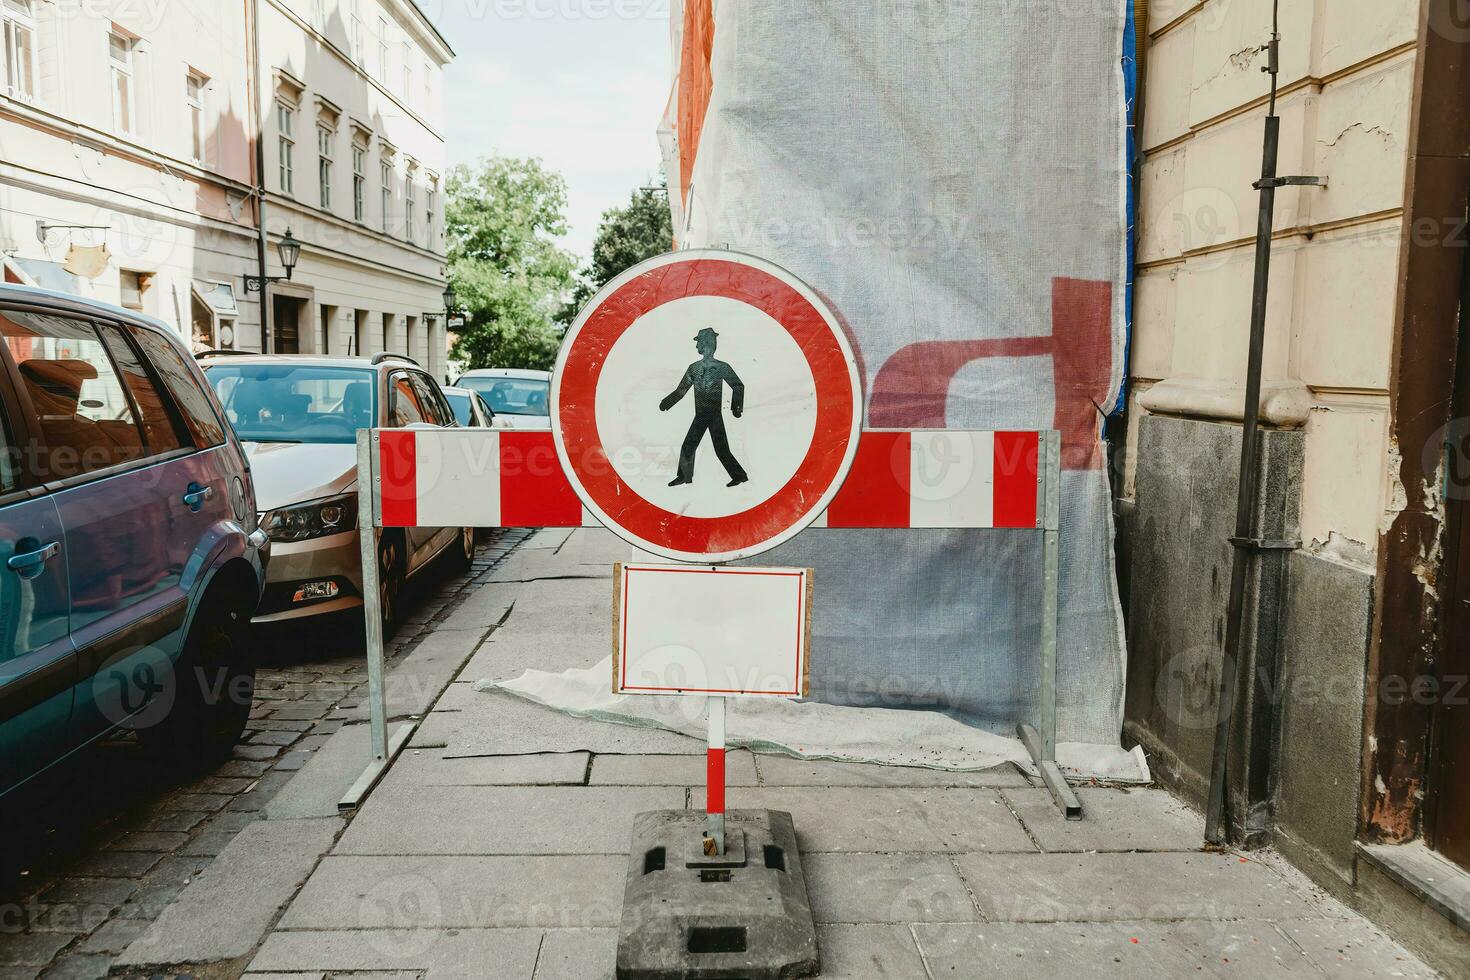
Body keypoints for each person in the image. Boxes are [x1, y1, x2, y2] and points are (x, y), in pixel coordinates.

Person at [659, 327, 748, 487]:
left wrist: (736, 407)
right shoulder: (694, 368)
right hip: (701, 414)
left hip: (712, 415)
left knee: (718, 449)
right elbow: (681, 390)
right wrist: (667, 402)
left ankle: (739, 475)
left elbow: (738, 386)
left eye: (698, 342)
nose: (696, 346)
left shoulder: (721, 367)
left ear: (706, 343)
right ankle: (686, 476)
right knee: (694, 446)